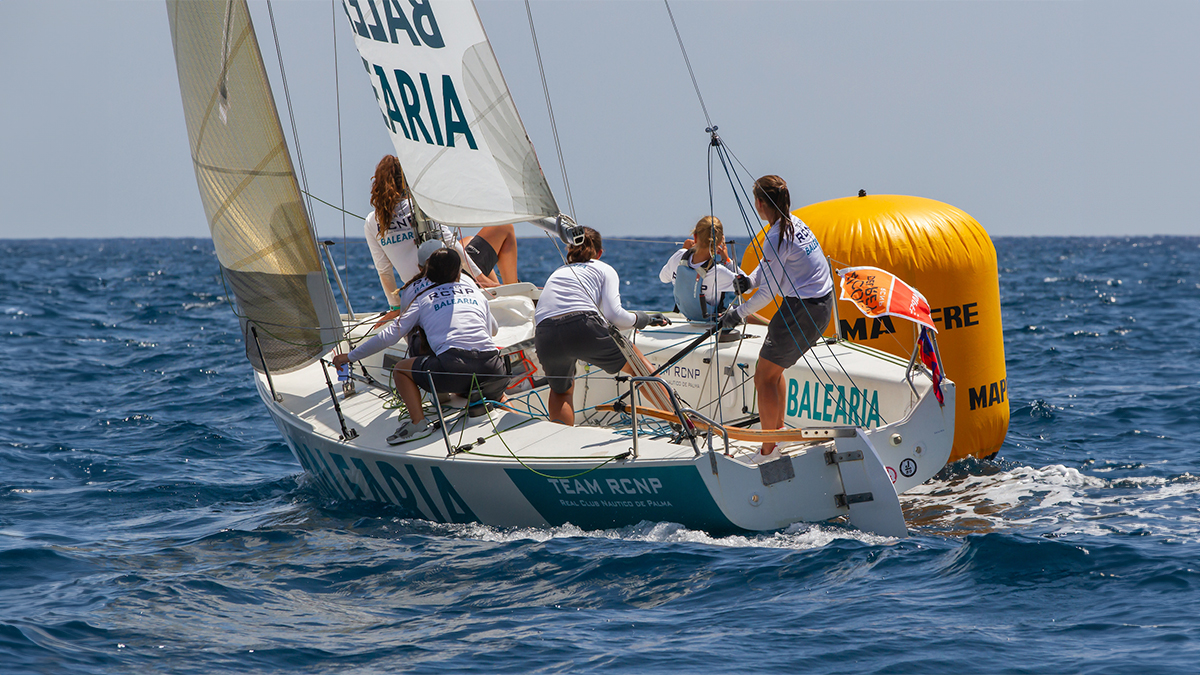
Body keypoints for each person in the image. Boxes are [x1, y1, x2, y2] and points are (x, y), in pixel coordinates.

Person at [334, 247, 508, 444]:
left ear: (427, 273)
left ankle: (418, 424)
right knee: (483, 381)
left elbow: (389, 336)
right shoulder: (476, 294)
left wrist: (349, 357)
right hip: (494, 370)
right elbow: (493, 330)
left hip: (453, 370)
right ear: (459, 272)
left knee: (400, 370)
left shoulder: (422, 299)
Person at [719, 175, 834, 460]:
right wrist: (749, 281)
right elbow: (769, 270)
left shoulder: (775, 237)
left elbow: (769, 293)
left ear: (759, 203)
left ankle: (768, 449)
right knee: (773, 372)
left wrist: (736, 314)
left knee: (763, 377)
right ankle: (778, 434)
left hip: (804, 308)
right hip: (820, 303)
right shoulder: (794, 224)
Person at [534, 227, 668, 426]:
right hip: (582, 326)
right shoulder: (604, 268)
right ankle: (683, 420)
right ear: (599, 253)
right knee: (638, 365)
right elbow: (615, 316)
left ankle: (560, 444)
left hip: (545, 333)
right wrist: (643, 318)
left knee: (561, 391)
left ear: (570, 249)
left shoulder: (558, 271)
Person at [364, 155, 516, 307]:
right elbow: (451, 244)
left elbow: (384, 271)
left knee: (468, 241)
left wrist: (396, 307)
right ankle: (511, 292)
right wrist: (481, 279)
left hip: (417, 292)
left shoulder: (372, 221)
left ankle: (495, 288)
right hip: (448, 281)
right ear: (405, 180)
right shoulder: (420, 209)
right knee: (504, 228)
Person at [658, 216, 749, 321]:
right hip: (712, 321)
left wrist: (684, 250)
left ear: (695, 237)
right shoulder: (717, 272)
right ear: (719, 243)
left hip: (688, 316)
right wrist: (727, 261)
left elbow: (663, 278)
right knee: (749, 314)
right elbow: (748, 286)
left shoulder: (679, 256)